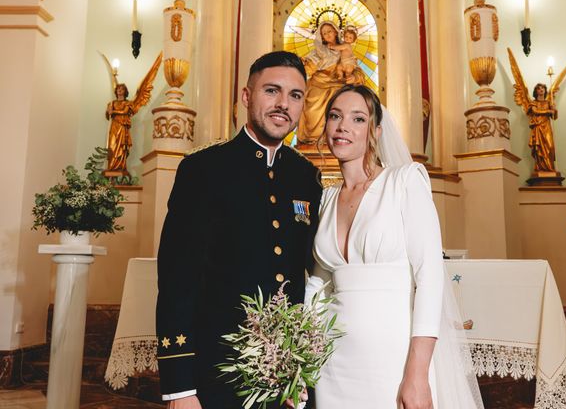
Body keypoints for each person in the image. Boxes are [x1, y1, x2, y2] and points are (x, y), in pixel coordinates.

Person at [156, 51, 323, 409]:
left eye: (295, 95)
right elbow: (176, 281)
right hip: (216, 373)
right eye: (271, 91)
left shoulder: (305, 177)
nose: (283, 104)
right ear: (246, 97)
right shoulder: (203, 169)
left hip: (288, 379)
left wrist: (302, 370)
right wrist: (180, 388)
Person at [306, 85, 484, 409]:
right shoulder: (326, 198)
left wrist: (417, 372)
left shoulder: (404, 181)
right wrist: (301, 358)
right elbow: (318, 285)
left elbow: (429, 275)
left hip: (394, 357)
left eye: (357, 119)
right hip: (332, 362)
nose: (343, 126)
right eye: (335, 116)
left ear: (375, 131)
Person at [297, 21, 365, 145]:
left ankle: (341, 139)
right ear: (321, 37)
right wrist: (303, 64)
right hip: (319, 82)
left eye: (329, 31)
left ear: (335, 32)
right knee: (312, 104)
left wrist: (354, 78)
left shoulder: (345, 49)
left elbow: (356, 71)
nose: (327, 35)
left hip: (340, 83)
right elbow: (309, 68)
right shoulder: (318, 51)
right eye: (324, 33)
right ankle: (314, 140)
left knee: (344, 99)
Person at [527, 83, 558, 173]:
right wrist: (548, 111)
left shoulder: (548, 103)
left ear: (545, 90)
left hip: (547, 127)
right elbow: (535, 111)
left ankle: (550, 168)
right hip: (538, 127)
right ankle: (540, 168)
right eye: (539, 89)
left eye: (543, 88)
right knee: (539, 148)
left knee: (550, 147)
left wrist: (555, 110)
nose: (541, 90)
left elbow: (554, 117)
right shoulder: (533, 103)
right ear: (536, 91)